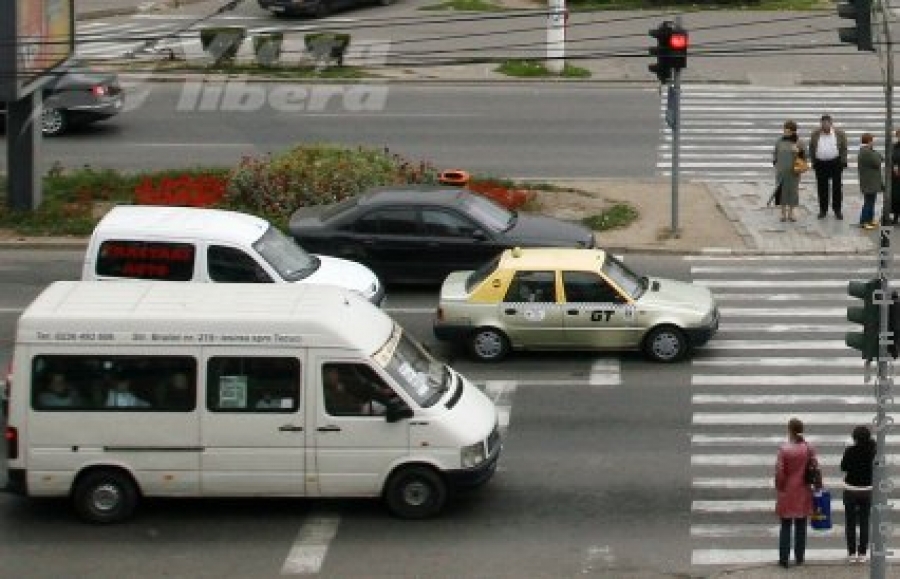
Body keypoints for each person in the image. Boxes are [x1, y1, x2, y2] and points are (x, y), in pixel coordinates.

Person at [774, 417, 815, 569]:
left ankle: (784, 559)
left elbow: (780, 473)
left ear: (789, 430)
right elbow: (815, 467)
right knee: (801, 525)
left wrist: (780, 487)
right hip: (803, 490)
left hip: (787, 490)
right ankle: (799, 557)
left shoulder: (784, 449)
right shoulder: (808, 448)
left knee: (785, 525)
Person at [841, 425, 876, 564]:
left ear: (855, 437)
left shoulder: (850, 451)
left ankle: (851, 553)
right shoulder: (872, 451)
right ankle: (862, 553)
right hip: (866, 490)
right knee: (864, 521)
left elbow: (843, 467)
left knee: (850, 522)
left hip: (851, 489)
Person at [809, 114, 849, 220]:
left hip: (835, 163)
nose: (825, 125)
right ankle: (823, 210)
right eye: (823, 123)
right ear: (821, 123)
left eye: (827, 123)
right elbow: (811, 148)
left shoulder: (839, 133)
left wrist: (843, 161)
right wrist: (813, 162)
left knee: (837, 188)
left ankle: (837, 210)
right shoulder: (815, 134)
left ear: (831, 123)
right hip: (820, 163)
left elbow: (844, 148)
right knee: (822, 188)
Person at [772, 120, 804, 223]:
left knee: (792, 192)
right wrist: (776, 164)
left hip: (793, 172)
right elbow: (775, 153)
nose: (786, 132)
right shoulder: (779, 141)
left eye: (788, 131)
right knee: (781, 192)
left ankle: (791, 213)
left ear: (794, 131)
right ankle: (782, 213)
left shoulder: (799, 142)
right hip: (781, 171)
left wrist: (798, 152)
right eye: (785, 130)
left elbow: (805, 157)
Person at [857, 133, 884, 230]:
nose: (873, 142)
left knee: (871, 202)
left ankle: (870, 220)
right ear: (869, 141)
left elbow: (880, 158)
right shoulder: (867, 151)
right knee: (868, 202)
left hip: (870, 181)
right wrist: (875, 153)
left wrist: (875, 153)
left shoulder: (867, 151)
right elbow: (878, 161)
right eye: (872, 140)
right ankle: (864, 221)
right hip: (869, 182)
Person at [891, 128, 900, 224]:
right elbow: (892, 158)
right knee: (896, 196)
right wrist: (895, 167)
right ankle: (896, 216)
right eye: (898, 135)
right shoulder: (894, 146)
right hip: (896, 176)